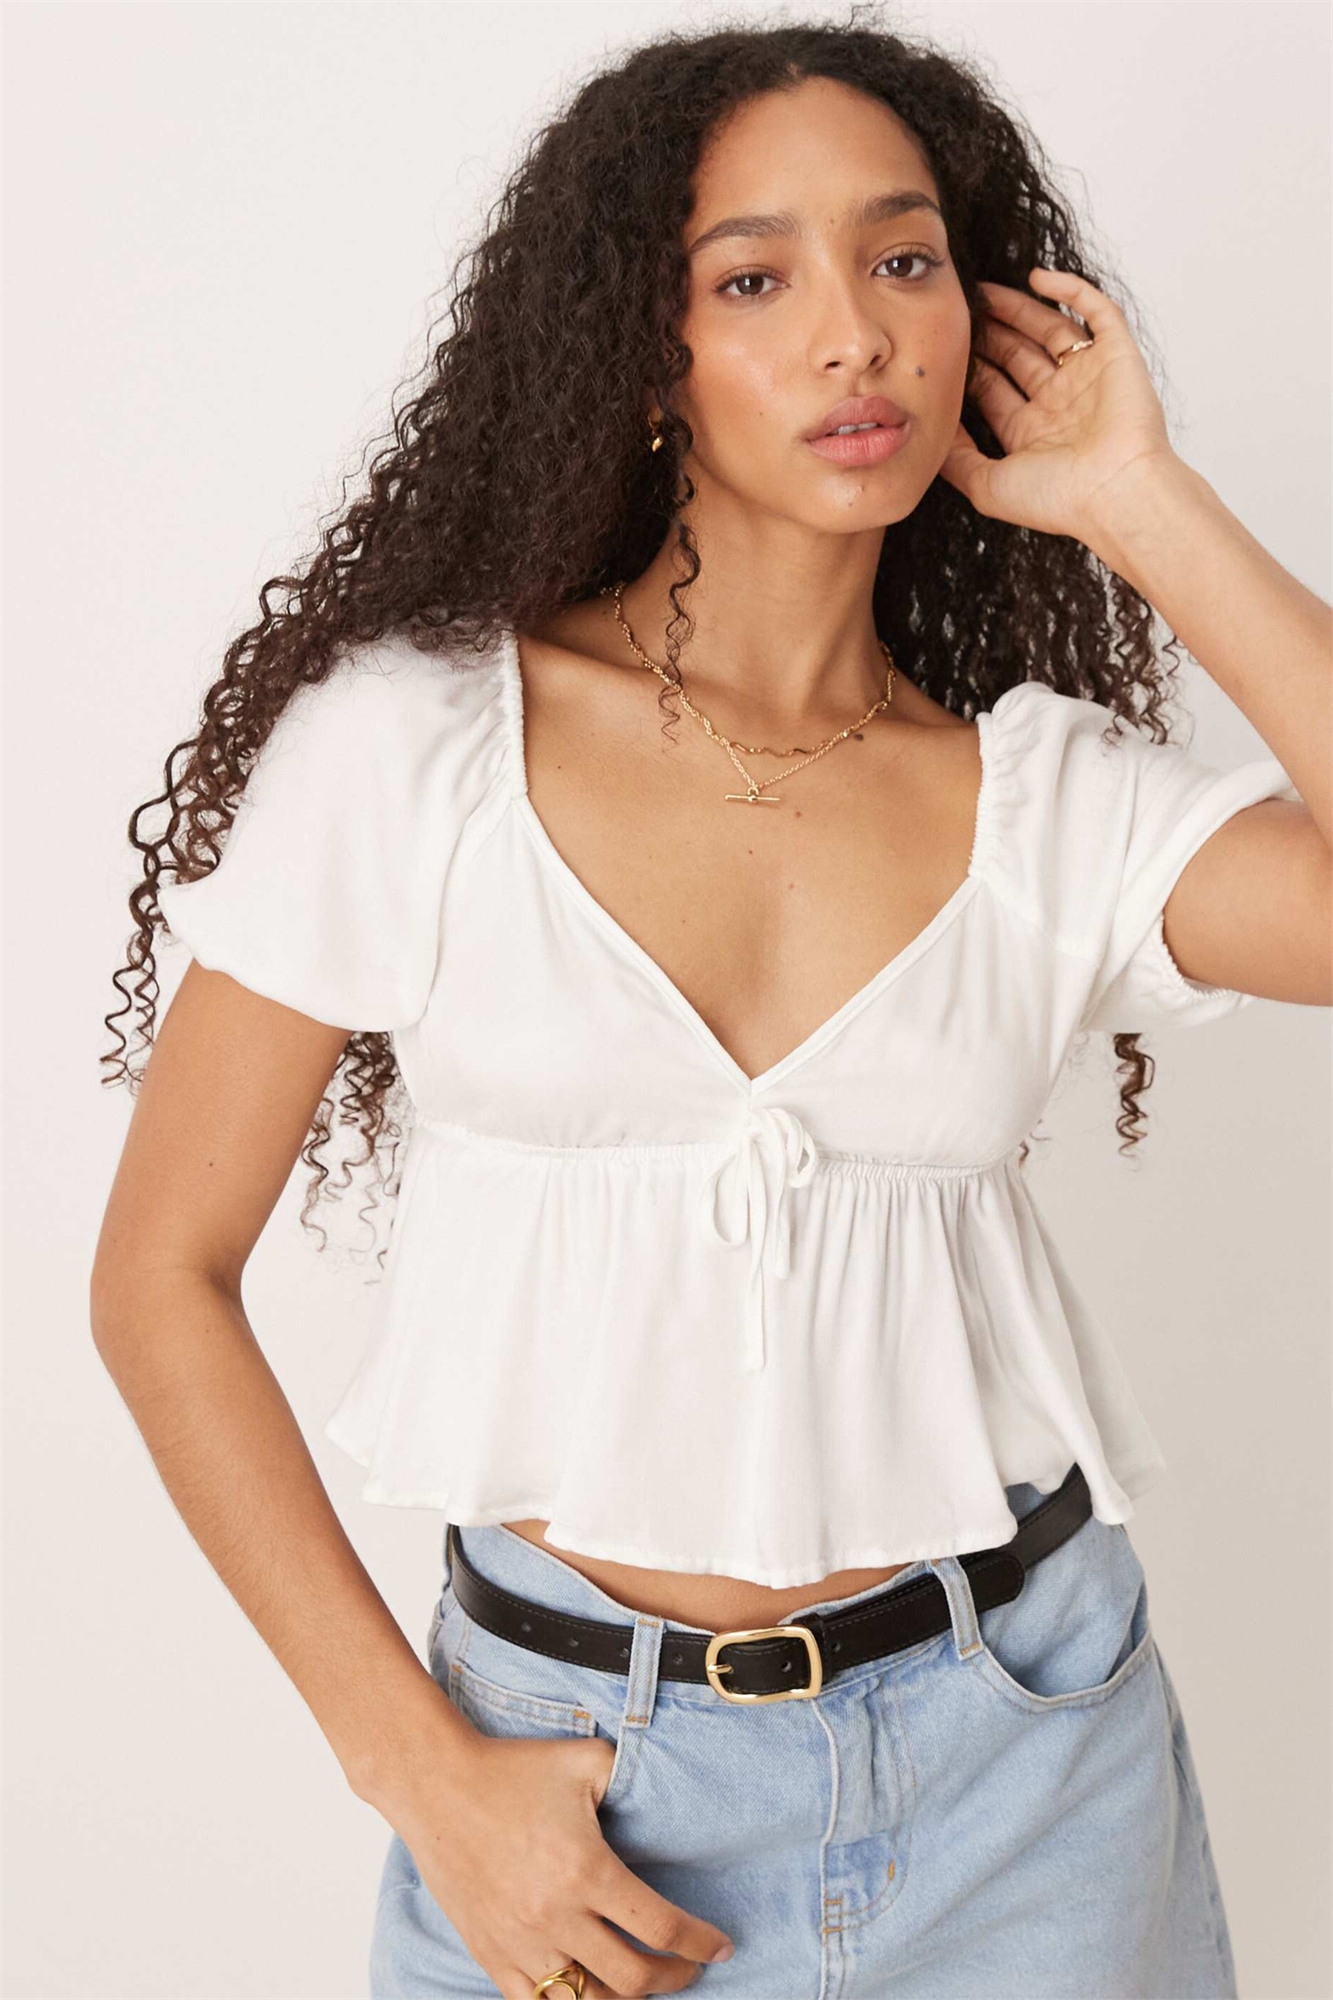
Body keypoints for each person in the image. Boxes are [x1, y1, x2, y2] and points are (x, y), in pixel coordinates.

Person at [92, 17, 1330, 2000]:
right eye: (753, 279)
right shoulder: (420, 742)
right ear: (640, 349)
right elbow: (160, 1276)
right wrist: (422, 1776)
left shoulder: (1041, 802)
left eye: (904, 260)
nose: (856, 336)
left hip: (1027, 1772)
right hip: (568, 1795)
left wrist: (1137, 496)